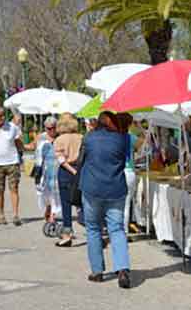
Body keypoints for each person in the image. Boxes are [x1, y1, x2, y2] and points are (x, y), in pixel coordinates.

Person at [79, 111, 133, 288]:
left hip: (91, 188)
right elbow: (126, 158)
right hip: (116, 188)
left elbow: (82, 160)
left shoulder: (88, 138)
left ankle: (97, 271)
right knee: (117, 229)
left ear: (98, 123)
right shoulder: (122, 139)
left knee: (93, 228)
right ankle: (123, 269)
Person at [53, 113, 83, 247]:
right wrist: (78, 171)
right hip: (80, 170)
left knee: (66, 205)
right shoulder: (81, 137)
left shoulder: (59, 139)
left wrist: (71, 170)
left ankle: (67, 234)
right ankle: (95, 231)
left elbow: (61, 160)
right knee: (83, 202)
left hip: (65, 172)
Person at [34, 116, 61, 227]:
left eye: (53, 127)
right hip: (44, 171)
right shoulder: (41, 138)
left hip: (57, 170)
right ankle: (48, 207)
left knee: (56, 195)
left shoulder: (60, 138)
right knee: (44, 195)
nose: (51, 130)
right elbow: (36, 154)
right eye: (48, 128)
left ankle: (52, 217)